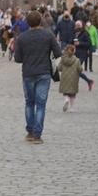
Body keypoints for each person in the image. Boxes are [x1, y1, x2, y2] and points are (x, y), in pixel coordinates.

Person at [14, 10, 62, 144]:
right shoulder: (48, 35)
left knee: (29, 102)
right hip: (44, 73)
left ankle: (29, 131)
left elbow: (18, 59)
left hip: (28, 73)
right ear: (40, 21)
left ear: (28, 23)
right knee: (41, 105)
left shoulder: (22, 38)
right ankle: (37, 135)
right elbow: (58, 53)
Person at [58, 44, 81, 112]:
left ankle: (66, 99)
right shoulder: (77, 60)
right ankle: (71, 108)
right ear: (74, 51)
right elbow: (80, 69)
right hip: (74, 78)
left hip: (65, 77)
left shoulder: (63, 59)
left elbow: (59, 68)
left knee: (65, 92)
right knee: (73, 94)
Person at [73, 21, 95, 90]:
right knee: (76, 70)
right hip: (75, 54)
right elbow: (70, 41)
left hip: (82, 54)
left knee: (76, 69)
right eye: (76, 25)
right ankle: (89, 81)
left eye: (79, 25)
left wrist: (80, 43)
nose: (77, 26)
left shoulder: (85, 33)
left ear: (82, 26)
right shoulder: (74, 32)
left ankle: (75, 85)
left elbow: (88, 43)